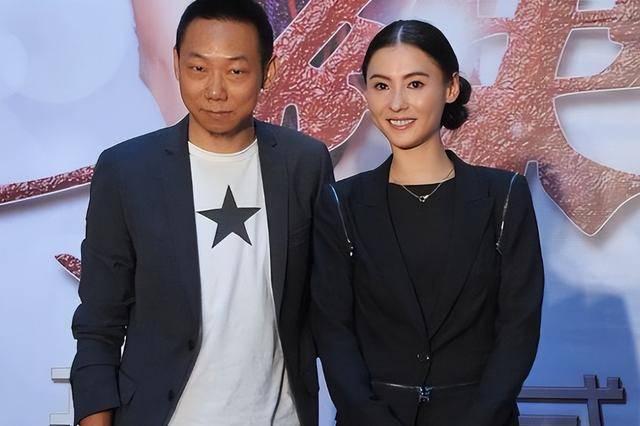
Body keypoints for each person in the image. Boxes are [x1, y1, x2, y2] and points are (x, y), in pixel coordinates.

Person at [70, 1, 333, 425]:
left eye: (236, 71)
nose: (215, 90)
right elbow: (99, 322)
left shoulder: (305, 163)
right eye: (198, 68)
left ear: (269, 71)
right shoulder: (127, 171)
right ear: (176, 64)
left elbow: (329, 306)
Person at [311, 20, 544, 426]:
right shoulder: (341, 203)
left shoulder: (504, 196)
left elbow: (518, 328)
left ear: (450, 87)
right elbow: (333, 332)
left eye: (415, 84)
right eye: (381, 86)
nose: (396, 103)